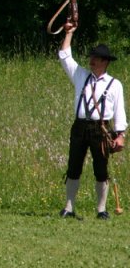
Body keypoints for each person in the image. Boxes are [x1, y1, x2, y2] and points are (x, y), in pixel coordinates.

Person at [58, 23, 126, 220]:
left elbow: (119, 112)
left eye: (95, 58)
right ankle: (69, 208)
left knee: (101, 170)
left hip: (101, 129)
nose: (91, 61)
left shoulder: (115, 85)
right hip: (80, 127)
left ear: (105, 62)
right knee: (73, 167)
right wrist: (69, 33)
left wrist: (120, 135)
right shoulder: (80, 75)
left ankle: (101, 209)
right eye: (91, 58)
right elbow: (65, 57)